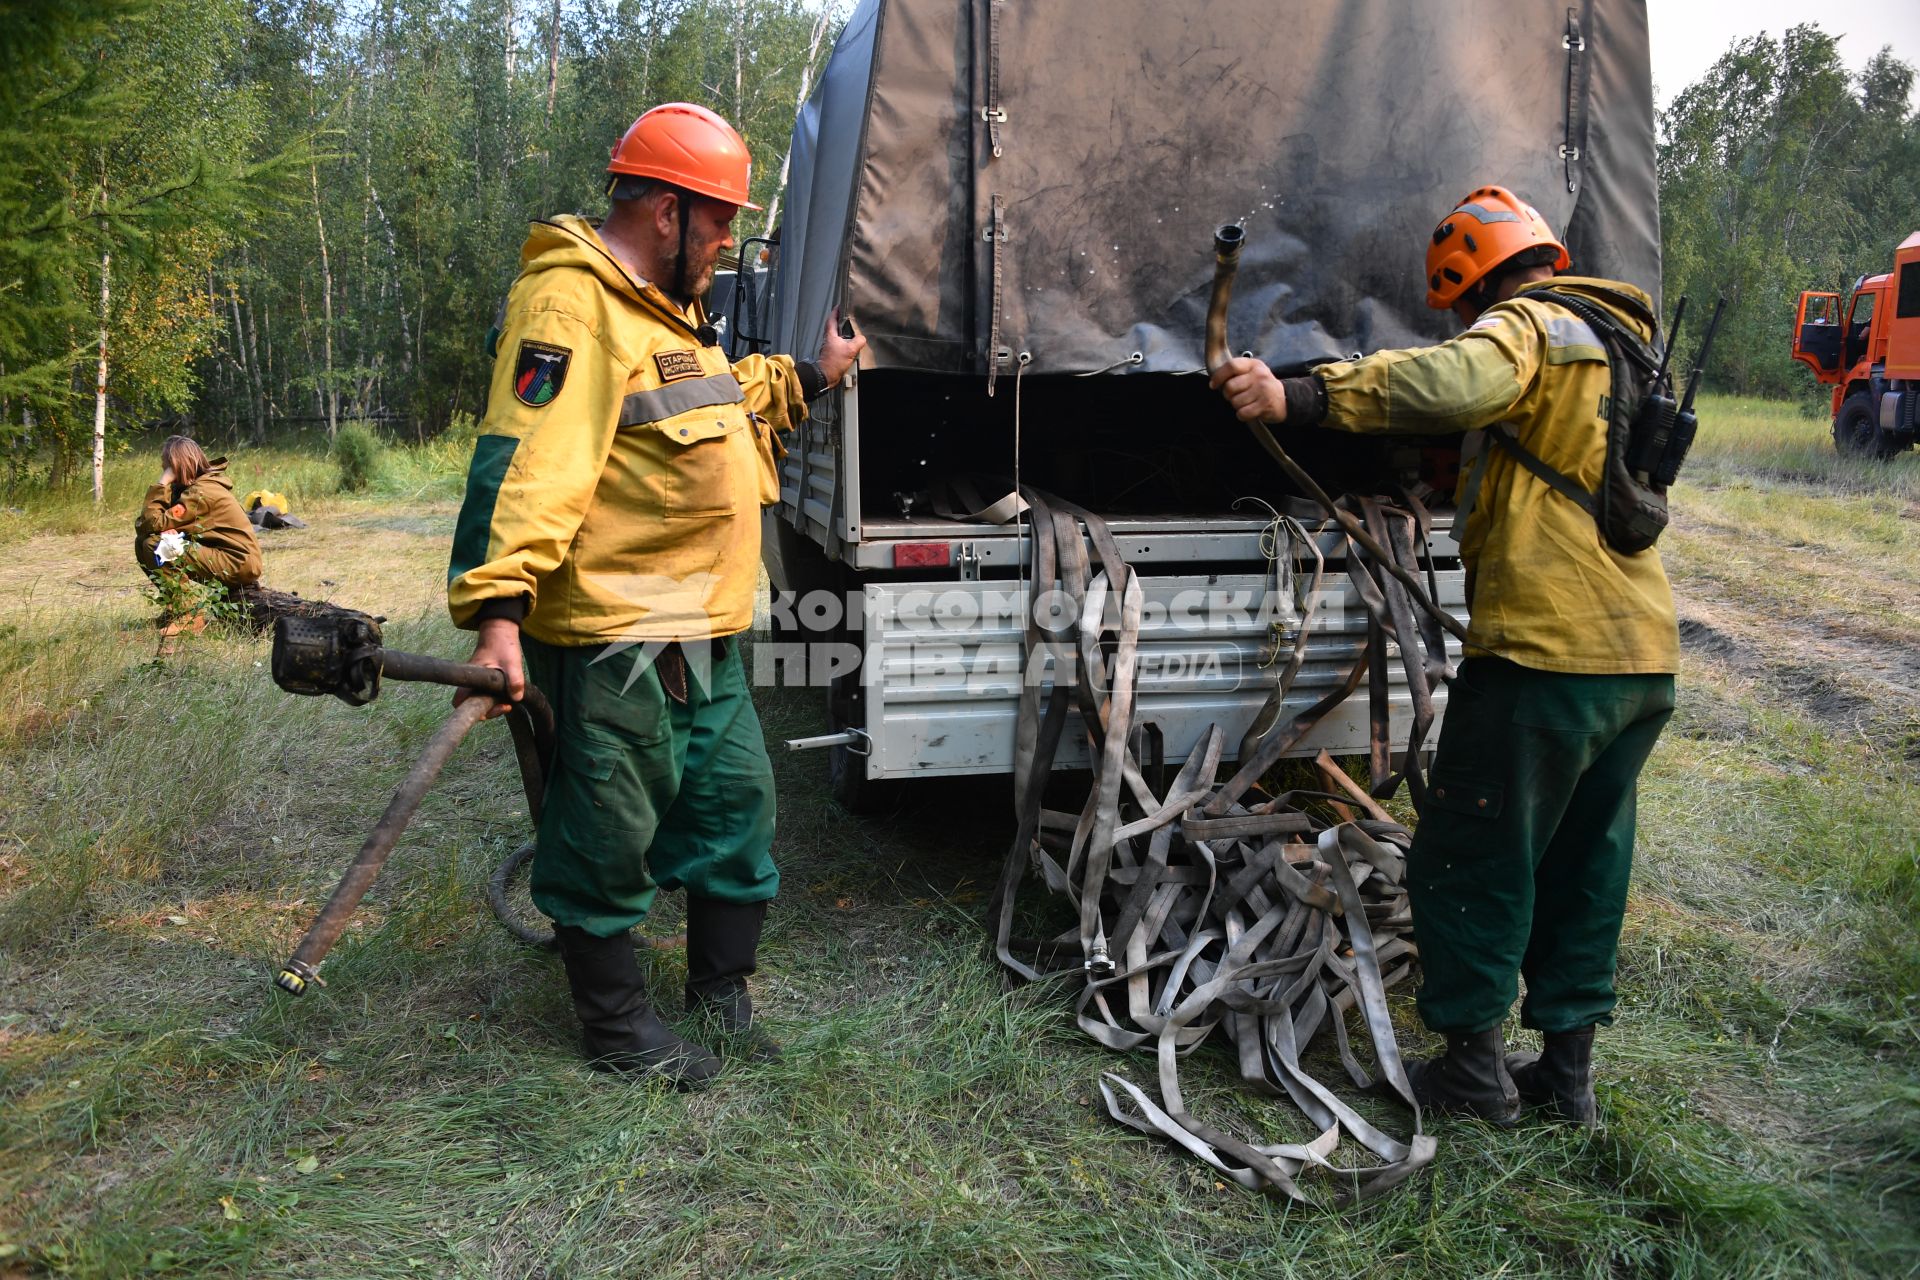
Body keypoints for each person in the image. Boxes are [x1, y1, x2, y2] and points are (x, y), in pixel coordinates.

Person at [1210, 185, 1678, 1127]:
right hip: (1639, 658)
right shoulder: (1619, 343)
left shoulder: (1528, 328)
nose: (1461, 323)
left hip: (1543, 658)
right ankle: (1566, 1076)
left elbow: (1452, 382)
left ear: (1473, 279)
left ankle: (1471, 1072)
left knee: (1475, 854)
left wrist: (1298, 394)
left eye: (1458, 305)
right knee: (1585, 863)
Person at [446, 102, 865, 1088]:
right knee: (606, 832)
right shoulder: (573, 305)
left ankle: (720, 996)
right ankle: (616, 1027)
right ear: (668, 211)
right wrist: (498, 615)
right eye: (719, 223)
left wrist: (813, 372)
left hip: (705, 634)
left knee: (738, 811)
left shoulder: (671, 314)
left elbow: (719, 404)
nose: (726, 244)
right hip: (614, 639)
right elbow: (525, 465)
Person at [135, 434, 264, 608]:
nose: (162, 467)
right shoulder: (192, 488)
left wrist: (162, 482)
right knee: (143, 542)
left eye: (166, 463)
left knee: (157, 545)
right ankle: (174, 609)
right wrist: (165, 530)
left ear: (176, 464)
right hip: (229, 557)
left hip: (237, 562)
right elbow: (146, 525)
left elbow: (153, 523)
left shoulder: (201, 492)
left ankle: (185, 615)